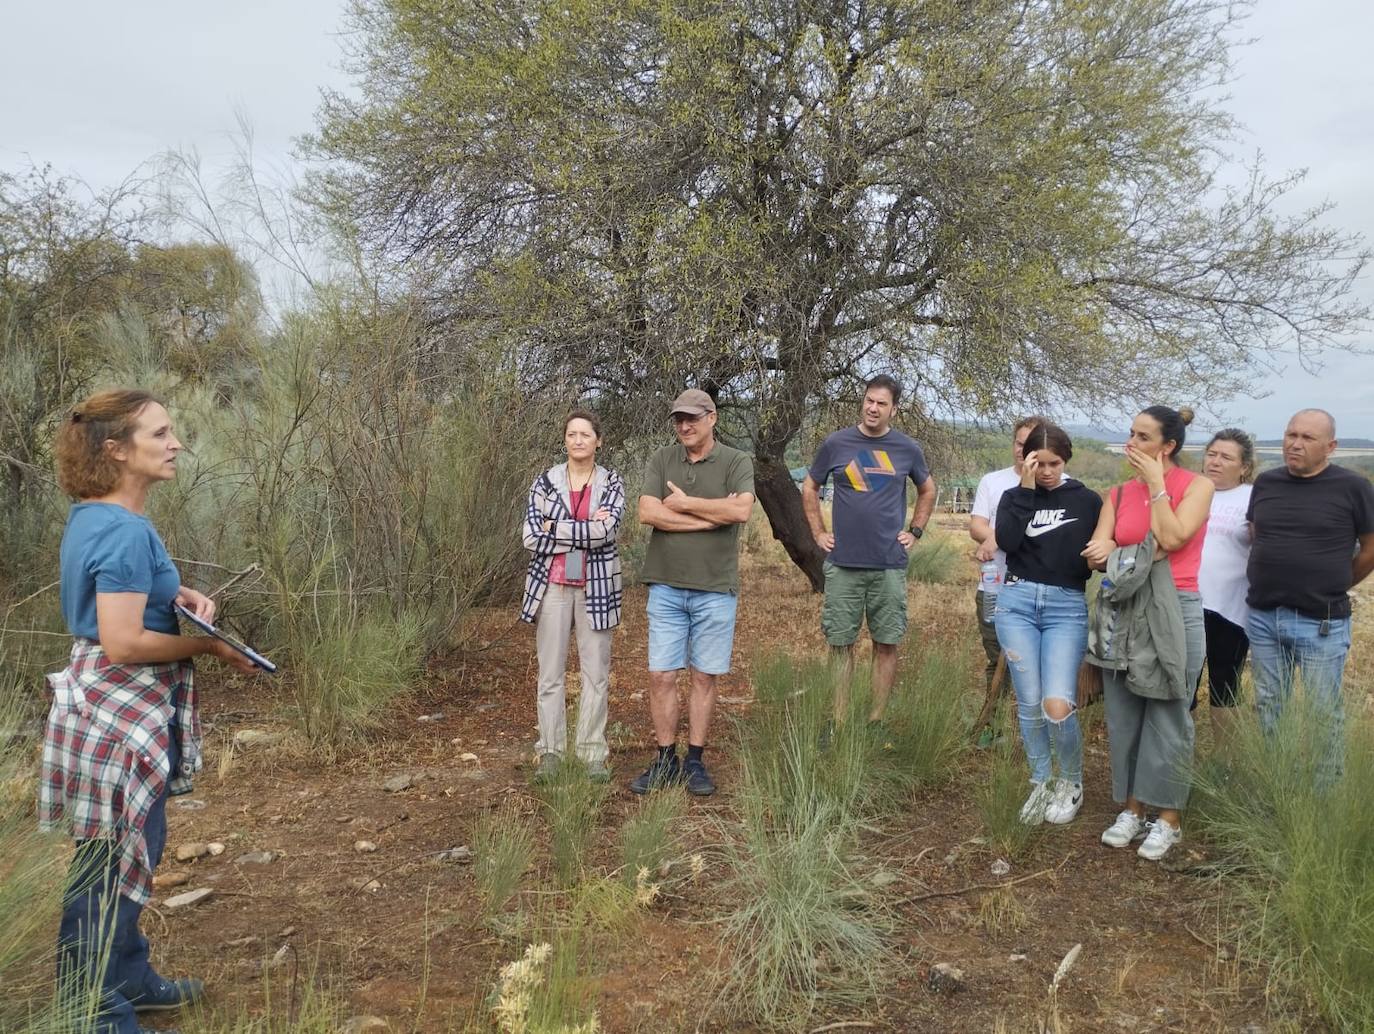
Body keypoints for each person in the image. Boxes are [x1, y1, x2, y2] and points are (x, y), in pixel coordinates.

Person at [39, 390, 257, 1034]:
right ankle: (90, 1006)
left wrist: (178, 594)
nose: (175, 443)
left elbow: (125, 597)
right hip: (118, 707)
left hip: (104, 703)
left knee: (131, 842)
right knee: (109, 857)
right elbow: (124, 640)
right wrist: (211, 646)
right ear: (117, 449)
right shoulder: (127, 529)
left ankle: (128, 975)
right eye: (160, 433)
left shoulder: (96, 516)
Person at [1083, 406, 1211, 861]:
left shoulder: (1197, 486)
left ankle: (1169, 817)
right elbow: (1100, 553)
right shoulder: (1116, 493)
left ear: (1168, 446)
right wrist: (1109, 549)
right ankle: (1133, 809)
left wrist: (1157, 486)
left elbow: (1173, 537)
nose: (1131, 443)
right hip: (1125, 606)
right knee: (1124, 713)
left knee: (1170, 713)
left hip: (1175, 608)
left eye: (1142, 436)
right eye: (1130, 434)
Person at [630, 389, 754, 796]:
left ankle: (695, 761)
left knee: (704, 677)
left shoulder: (736, 461)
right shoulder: (662, 458)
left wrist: (684, 505)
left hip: (715, 589)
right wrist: (707, 517)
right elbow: (648, 512)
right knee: (661, 675)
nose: (685, 425)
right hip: (666, 586)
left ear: (712, 418)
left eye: (693, 418)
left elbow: (740, 512)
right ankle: (665, 758)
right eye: (679, 419)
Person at [1245, 409, 1374, 777]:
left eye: (1307, 438)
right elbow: (1258, 533)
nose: (1295, 444)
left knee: (1321, 711)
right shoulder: (1267, 483)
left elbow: (1370, 548)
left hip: (1322, 621)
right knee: (1269, 706)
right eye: (1291, 435)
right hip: (1264, 616)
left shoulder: (1354, 487)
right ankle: (1279, 786)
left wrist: (1334, 583)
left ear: (1330, 446)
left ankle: (1323, 796)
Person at [801, 375, 936, 727]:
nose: (873, 408)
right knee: (841, 643)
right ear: (863, 401)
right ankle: (841, 720)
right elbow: (810, 485)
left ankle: (876, 720)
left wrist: (915, 532)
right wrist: (817, 531)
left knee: (886, 643)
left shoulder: (907, 449)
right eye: (869, 401)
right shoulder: (836, 443)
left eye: (882, 403)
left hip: (888, 564)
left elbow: (928, 490)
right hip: (843, 563)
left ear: (894, 409)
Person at [993, 423, 1102, 825]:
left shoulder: (1087, 500)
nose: (1047, 472)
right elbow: (1006, 541)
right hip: (1017, 602)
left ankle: (1070, 782)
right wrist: (1025, 490)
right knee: (1030, 701)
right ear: (1025, 461)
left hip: (1064, 607)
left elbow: (1098, 554)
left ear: (1066, 460)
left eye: (1054, 463)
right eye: (1038, 463)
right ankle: (1040, 782)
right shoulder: (1014, 497)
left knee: (1057, 703)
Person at [520, 409, 625, 783]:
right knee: (550, 674)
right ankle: (549, 750)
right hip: (551, 585)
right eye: (572, 434)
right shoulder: (545, 483)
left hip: (597, 587)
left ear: (599, 440)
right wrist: (583, 527)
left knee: (595, 674)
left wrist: (557, 528)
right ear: (564, 440)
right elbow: (531, 537)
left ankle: (591, 752)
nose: (578, 440)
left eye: (585, 434)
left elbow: (606, 533)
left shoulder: (611, 482)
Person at [969, 415, 1053, 742]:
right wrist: (996, 536)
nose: (1023, 451)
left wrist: (1000, 538)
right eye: (1019, 443)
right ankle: (993, 726)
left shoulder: (1058, 484)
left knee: (1035, 664)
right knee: (997, 658)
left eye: (1030, 444)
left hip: (1039, 590)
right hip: (994, 586)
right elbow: (977, 526)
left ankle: (1034, 730)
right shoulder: (993, 481)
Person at [1195, 429, 1256, 754]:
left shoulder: (1253, 497)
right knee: (1182, 690)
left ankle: (1223, 767)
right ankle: (1177, 769)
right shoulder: (1193, 490)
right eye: (1212, 454)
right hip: (1185, 602)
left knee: (1225, 686)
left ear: (1244, 467)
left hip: (1231, 608)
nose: (1216, 462)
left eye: (1226, 457)